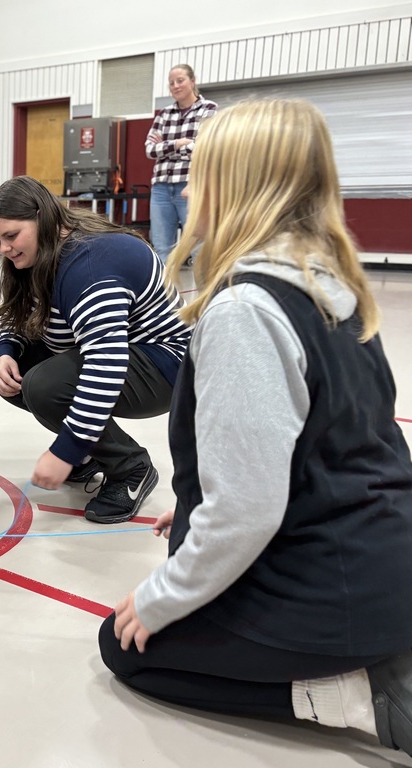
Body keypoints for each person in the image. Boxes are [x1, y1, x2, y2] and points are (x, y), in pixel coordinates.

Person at [101, 99, 412, 759]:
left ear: (233, 187)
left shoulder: (246, 307)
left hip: (336, 590)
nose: (185, 189)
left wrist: (162, 597)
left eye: (197, 174)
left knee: (127, 646)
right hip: (389, 560)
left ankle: (349, 693)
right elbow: (340, 446)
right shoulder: (333, 287)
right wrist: (197, 503)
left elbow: (246, 512)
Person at [0, 176, 190, 523]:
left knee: (45, 386)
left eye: (11, 236)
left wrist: (66, 449)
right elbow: (23, 316)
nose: (3, 248)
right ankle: (95, 454)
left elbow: (106, 365)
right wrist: (5, 350)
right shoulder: (43, 252)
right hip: (120, 353)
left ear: (42, 218)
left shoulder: (90, 265)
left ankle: (131, 469)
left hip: (165, 364)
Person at [144, 64, 217, 262]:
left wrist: (166, 148)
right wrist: (179, 143)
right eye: (171, 83)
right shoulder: (164, 114)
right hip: (160, 188)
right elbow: (150, 150)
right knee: (161, 248)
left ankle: (203, 292)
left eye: (180, 80)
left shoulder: (208, 109)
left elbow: (203, 147)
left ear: (193, 81)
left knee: (198, 246)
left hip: (190, 185)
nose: (175, 86)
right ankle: (164, 293)